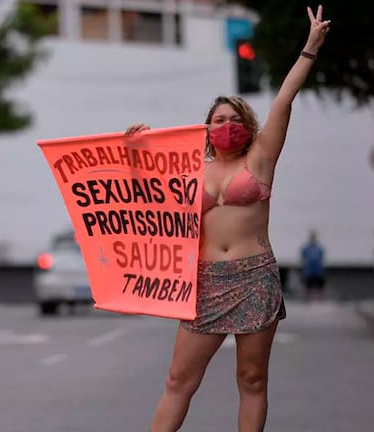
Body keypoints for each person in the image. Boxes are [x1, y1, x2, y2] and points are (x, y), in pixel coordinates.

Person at [124, 7, 330, 431]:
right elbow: (148, 206)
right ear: (206, 128)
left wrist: (310, 48)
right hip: (204, 283)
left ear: (249, 126)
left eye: (236, 119)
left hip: (255, 278)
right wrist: (133, 153)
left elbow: (283, 100)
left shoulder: (260, 158)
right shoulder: (189, 170)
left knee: (252, 378)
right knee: (179, 378)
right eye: (219, 120)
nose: (228, 125)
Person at [300, 230, 326, 301]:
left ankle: (321, 299)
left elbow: (321, 258)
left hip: (317, 270)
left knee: (320, 285)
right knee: (307, 285)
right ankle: (306, 298)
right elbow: (303, 257)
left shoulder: (319, 248)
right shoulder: (306, 248)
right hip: (309, 270)